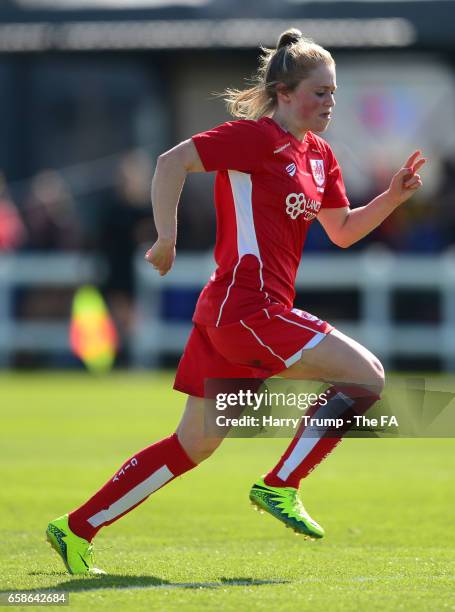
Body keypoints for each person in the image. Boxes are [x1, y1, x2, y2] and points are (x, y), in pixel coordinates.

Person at [46, 28, 426, 575]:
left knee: (193, 445)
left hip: (236, 314)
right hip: (248, 309)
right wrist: (166, 237)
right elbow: (170, 162)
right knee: (367, 378)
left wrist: (392, 196)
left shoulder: (319, 156)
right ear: (285, 93)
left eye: (333, 92)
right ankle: (281, 483)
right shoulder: (253, 139)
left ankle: (76, 528)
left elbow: (341, 231)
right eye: (319, 92)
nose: (329, 103)